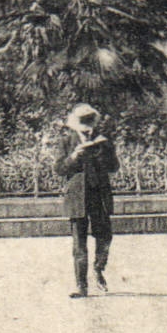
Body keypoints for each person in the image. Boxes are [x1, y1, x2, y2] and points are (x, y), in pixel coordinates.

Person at [55, 103, 119, 298]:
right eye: (82, 123)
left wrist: (102, 152)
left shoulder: (104, 142)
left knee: (104, 236)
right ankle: (81, 286)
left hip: (98, 195)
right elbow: (59, 169)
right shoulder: (67, 142)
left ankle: (99, 269)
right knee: (79, 244)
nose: (86, 128)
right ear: (75, 125)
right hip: (77, 197)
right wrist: (74, 156)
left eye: (89, 123)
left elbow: (114, 167)